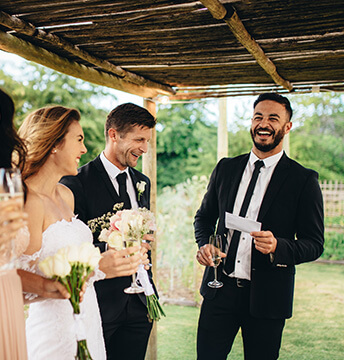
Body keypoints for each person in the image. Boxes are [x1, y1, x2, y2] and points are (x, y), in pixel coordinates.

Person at [194, 93, 324, 360]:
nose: (263, 124)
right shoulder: (226, 168)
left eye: (273, 118)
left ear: (287, 127)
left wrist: (279, 246)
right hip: (219, 291)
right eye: (258, 117)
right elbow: (204, 217)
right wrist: (205, 244)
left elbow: (314, 244)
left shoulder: (303, 179)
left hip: (268, 299)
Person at [17, 105, 145, 360]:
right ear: (54, 144)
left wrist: (110, 256)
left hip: (87, 319)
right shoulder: (29, 201)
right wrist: (96, 268)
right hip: (53, 332)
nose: (84, 149)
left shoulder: (66, 195)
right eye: (79, 140)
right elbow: (13, 276)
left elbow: (69, 257)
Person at [61, 102, 157, 360]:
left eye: (147, 141)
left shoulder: (142, 183)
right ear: (114, 135)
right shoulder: (75, 183)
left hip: (140, 303)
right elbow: (68, 246)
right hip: (100, 303)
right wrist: (110, 249)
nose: (144, 149)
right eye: (139, 139)